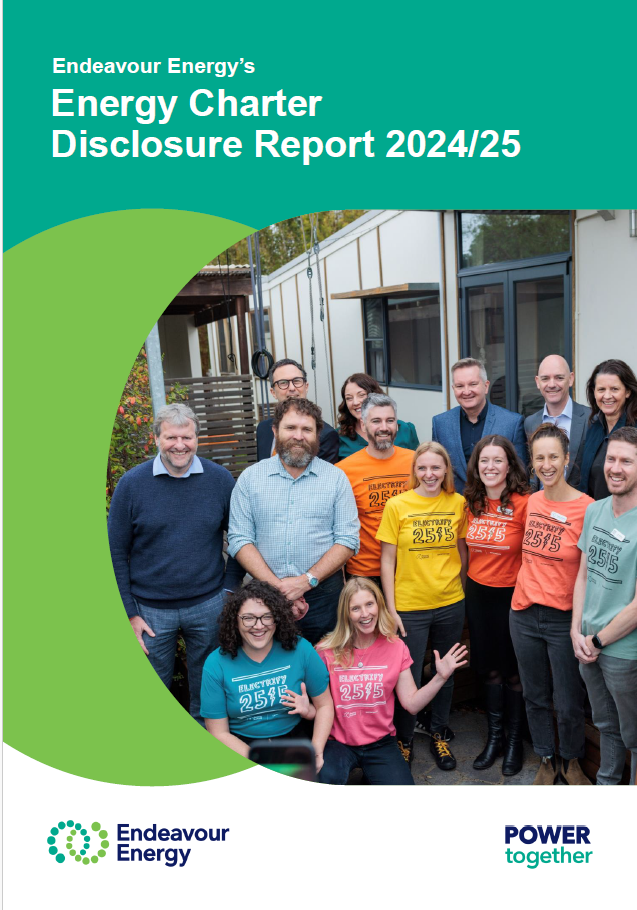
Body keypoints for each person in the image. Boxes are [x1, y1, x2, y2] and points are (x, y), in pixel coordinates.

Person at [107, 402, 244, 725]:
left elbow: (241, 539)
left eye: (187, 437)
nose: (179, 445)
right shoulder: (132, 485)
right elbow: (114, 553)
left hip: (209, 605)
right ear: (156, 438)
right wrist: (128, 613)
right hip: (149, 611)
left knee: (208, 695)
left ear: (197, 438)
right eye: (171, 437)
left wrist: (229, 591)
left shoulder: (220, 480)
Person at [302, 577, 467, 785]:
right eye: (356, 608)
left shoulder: (395, 647)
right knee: (324, 778)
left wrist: (440, 677)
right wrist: (306, 708)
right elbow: (323, 706)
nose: (365, 614)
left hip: (380, 742)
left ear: (379, 605)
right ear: (346, 613)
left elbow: (411, 703)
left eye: (369, 604)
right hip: (338, 743)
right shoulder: (325, 651)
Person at [228, 397, 359, 645]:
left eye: (306, 429)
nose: (298, 436)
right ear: (275, 431)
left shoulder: (336, 479)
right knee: (270, 664)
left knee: (323, 665)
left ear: (317, 434)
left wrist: (305, 581)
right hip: (263, 598)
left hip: (323, 597)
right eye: (290, 428)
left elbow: (348, 540)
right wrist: (278, 588)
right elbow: (239, 539)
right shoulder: (250, 479)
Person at [509, 423, 594, 785]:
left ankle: (571, 761)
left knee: (569, 699)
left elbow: (589, 573)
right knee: (535, 694)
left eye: (553, 457)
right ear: (532, 462)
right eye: (539, 458)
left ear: (567, 459)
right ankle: (546, 757)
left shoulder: (588, 508)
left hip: (564, 619)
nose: (546, 465)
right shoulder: (531, 501)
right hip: (524, 613)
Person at [377, 441, 468, 770]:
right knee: (409, 676)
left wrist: (461, 589)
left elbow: (462, 550)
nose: (429, 474)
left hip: (450, 603)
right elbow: (387, 561)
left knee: (447, 672)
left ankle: (439, 733)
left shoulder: (458, 503)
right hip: (409, 607)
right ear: (414, 471)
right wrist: (391, 609)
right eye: (423, 467)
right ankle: (404, 739)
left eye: (435, 467)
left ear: (446, 471)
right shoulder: (397, 505)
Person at [201, 581, 333, 771]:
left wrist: (317, 750)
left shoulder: (301, 649)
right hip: (241, 746)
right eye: (248, 618)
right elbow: (219, 733)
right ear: (235, 620)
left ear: (277, 618)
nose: (258, 626)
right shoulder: (216, 664)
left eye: (267, 617)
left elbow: (325, 705)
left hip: (293, 739)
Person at [572, 427, 637, 785]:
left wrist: (598, 641)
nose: (615, 468)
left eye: (627, 461)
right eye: (611, 458)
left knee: (634, 736)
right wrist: (576, 631)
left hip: (623, 651)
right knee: (605, 725)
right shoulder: (594, 510)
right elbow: (583, 576)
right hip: (587, 643)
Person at [464, 435, 530, 776]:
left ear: (509, 466)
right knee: (489, 668)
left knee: (513, 672)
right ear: (476, 466)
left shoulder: (525, 503)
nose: (490, 467)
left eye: (497, 460)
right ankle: (495, 739)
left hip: (512, 597)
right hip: (479, 596)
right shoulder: (471, 503)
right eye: (484, 460)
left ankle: (515, 741)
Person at [336, 393, 413, 586]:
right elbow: (337, 528)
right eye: (376, 421)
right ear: (363, 425)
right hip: (364, 573)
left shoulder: (415, 463)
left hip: (410, 569)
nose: (384, 427)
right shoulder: (344, 471)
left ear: (397, 425)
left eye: (390, 420)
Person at [432, 357, 527, 493]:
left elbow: (520, 474)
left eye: (473, 384)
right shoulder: (440, 424)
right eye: (460, 386)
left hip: (498, 503)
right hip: (454, 503)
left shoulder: (512, 423)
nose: (466, 391)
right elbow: (437, 470)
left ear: (486, 386)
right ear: (453, 389)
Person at [524, 354, 590, 489]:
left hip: (580, 501)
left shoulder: (590, 418)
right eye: (545, 378)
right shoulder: (530, 423)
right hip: (541, 500)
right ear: (537, 382)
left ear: (571, 379)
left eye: (559, 378)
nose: (552, 384)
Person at [256, 358, 339, 464]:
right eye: (283, 383)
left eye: (297, 381)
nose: (292, 388)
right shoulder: (263, 429)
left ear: (306, 387)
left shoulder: (326, 435)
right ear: (273, 392)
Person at [576, 359, 637, 500]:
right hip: (595, 510)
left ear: (627, 392)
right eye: (601, 389)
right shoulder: (593, 428)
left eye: (614, 389)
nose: (607, 396)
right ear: (594, 392)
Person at [336, 372, 419, 459]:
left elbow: (418, 463)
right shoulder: (338, 436)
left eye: (361, 395)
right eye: (349, 398)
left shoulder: (406, 430)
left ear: (375, 395)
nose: (355, 402)